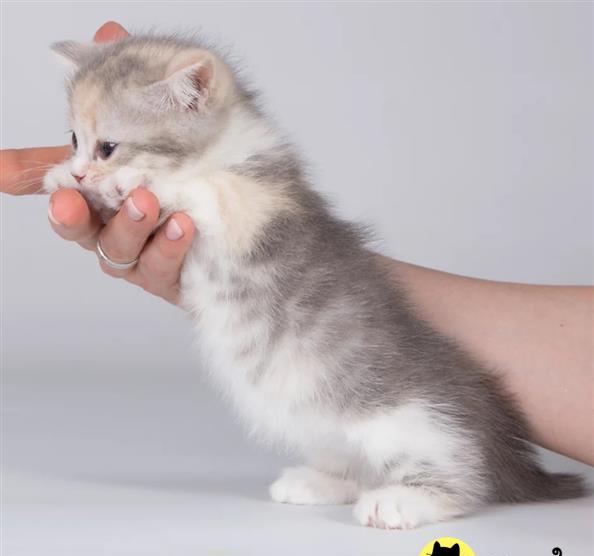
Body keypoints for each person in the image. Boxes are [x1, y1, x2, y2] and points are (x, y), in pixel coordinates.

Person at [2, 22, 592, 467]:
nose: (80, 167)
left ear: (195, 96)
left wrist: (134, 176)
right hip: (304, 326)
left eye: (102, 149)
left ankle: (434, 474)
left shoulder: (250, 167)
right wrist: (111, 167)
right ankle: (352, 468)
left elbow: (230, 221)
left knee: (356, 391)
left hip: (347, 354)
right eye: (75, 141)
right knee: (305, 407)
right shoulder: (180, 162)